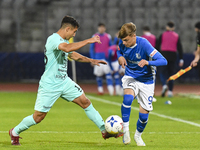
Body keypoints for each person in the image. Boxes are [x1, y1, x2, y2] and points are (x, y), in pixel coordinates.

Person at [9, 16, 123, 145]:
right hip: (50, 84)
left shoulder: (63, 41)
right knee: (38, 117)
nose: (74, 34)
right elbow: (67, 49)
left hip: (64, 81)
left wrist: (91, 60)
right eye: (74, 32)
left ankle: (104, 130)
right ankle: (15, 132)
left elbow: (72, 54)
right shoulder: (53, 39)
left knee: (85, 102)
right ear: (67, 29)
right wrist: (88, 41)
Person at [117, 22, 167, 146]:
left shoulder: (144, 44)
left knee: (144, 117)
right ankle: (126, 130)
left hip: (147, 80)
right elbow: (120, 52)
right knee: (128, 98)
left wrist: (148, 63)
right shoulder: (122, 43)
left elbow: (163, 61)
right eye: (123, 40)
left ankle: (138, 136)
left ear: (133, 36)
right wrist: (120, 57)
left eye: (126, 40)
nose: (124, 43)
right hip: (131, 76)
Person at [156, 21, 184, 97]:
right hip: (173, 56)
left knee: (162, 72)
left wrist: (156, 57)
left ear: (167, 27)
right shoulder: (176, 36)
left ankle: (164, 85)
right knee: (171, 74)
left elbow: (157, 47)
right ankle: (170, 91)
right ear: (173, 27)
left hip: (164, 55)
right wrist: (181, 59)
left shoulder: (162, 35)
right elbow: (180, 48)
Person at [90, 23, 114, 95]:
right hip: (97, 59)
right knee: (99, 75)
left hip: (106, 59)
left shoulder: (108, 36)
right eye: (100, 27)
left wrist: (110, 54)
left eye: (103, 27)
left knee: (108, 74)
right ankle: (100, 90)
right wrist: (92, 59)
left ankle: (111, 91)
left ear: (105, 28)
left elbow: (111, 47)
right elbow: (92, 48)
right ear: (98, 28)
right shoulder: (94, 36)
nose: (101, 29)